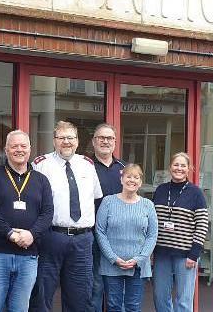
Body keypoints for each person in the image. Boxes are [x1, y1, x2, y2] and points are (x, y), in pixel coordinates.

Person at [30, 121, 103, 311]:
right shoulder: (40, 165)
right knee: (42, 294)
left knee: (80, 297)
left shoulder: (87, 165)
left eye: (71, 138)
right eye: (62, 138)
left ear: (77, 141)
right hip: (51, 237)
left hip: (83, 240)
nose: (66, 142)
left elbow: (95, 197)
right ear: (54, 141)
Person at [0, 130, 54, 312]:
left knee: (20, 308)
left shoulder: (41, 180)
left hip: (28, 256)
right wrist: (9, 233)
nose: (19, 150)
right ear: (6, 150)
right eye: (14, 146)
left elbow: (48, 213)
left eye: (23, 146)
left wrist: (32, 234)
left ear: (30, 149)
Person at [95, 164, 158, 312]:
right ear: (121, 179)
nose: (132, 180)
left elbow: (152, 235)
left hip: (138, 266)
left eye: (136, 177)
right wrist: (113, 258)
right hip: (112, 265)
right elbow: (100, 231)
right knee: (113, 306)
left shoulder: (148, 205)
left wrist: (139, 259)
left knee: (133, 307)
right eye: (128, 176)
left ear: (140, 182)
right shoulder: (108, 202)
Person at [152, 152, 209, 312]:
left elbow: (202, 224)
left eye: (183, 165)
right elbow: (152, 220)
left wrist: (194, 254)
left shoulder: (196, 193)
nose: (179, 168)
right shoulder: (161, 190)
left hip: (186, 255)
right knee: (160, 296)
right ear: (170, 167)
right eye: (176, 165)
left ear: (189, 168)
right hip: (161, 253)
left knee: (183, 300)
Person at [90, 123, 126, 312]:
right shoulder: (84, 166)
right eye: (101, 138)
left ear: (115, 142)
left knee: (116, 290)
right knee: (95, 287)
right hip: (93, 237)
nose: (105, 141)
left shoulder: (124, 169)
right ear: (93, 142)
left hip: (119, 238)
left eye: (109, 138)